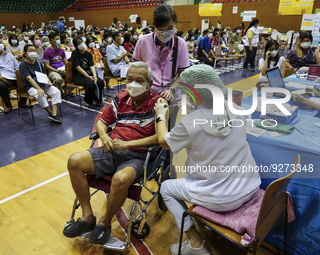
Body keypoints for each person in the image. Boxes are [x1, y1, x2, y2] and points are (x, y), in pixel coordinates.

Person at [154, 64, 261, 255]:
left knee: (166, 188)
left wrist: (161, 116)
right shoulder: (236, 107)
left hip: (222, 197)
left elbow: (163, 142)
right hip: (250, 185)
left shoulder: (189, 123)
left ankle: (194, 243)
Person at [63, 61, 167, 244]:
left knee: (120, 179)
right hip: (111, 148)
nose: (133, 83)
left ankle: (104, 222)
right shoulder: (120, 98)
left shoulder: (158, 103)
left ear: (149, 84)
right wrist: (104, 137)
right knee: (74, 161)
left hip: (138, 155)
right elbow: (102, 122)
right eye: (129, 79)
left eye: (139, 80)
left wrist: (127, 145)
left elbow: (160, 138)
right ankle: (87, 217)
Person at [133, 4, 190, 101]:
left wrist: (171, 90)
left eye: (169, 28)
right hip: (147, 95)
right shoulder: (143, 41)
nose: (165, 33)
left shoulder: (181, 44)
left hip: (172, 95)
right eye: (160, 29)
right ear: (153, 24)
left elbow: (183, 73)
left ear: (175, 23)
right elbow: (136, 67)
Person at [0, 35, 31, 113]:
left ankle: (22, 102)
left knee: (27, 81)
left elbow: (17, 67)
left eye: (0, 42)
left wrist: (18, 75)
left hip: (12, 76)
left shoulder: (9, 55)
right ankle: (8, 106)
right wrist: (4, 80)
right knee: (1, 85)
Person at [19, 44, 62, 123]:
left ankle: (54, 114)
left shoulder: (38, 63)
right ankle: (49, 112)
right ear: (25, 53)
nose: (33, 52)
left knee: (56, 91)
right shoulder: (23, 65)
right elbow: (29, 78)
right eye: (30, 51)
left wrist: (49, 82)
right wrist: (38, 88)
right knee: (41, 95)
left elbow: (44, 74)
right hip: (31, 87)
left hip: (43, 84)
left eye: (34, 51)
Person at [71, 37, 104, 108]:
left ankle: (98, 100)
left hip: (89, 74)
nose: (82, 44)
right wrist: (88, 77)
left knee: (100, 82)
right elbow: (78, 67)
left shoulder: (88, 54)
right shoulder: (74, 54)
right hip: (79, 76)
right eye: (79, 43)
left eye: (82, 42)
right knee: (90, 84)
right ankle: (88, 101)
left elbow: (92, 66)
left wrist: (95, 76)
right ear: (76, 46)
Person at [43, 32, 71, 98]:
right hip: (53, 70)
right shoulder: (47, 51)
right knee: (58, 79)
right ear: (52, 40)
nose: (59, 40)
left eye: (59, 38)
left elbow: (65, 61)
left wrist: (66, 69)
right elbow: (47, 66)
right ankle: (61, 92)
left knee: (73, 75)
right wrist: (56, 70)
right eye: (57, 39)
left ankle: (67, 91)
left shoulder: (61, 50)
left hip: (62, 69)